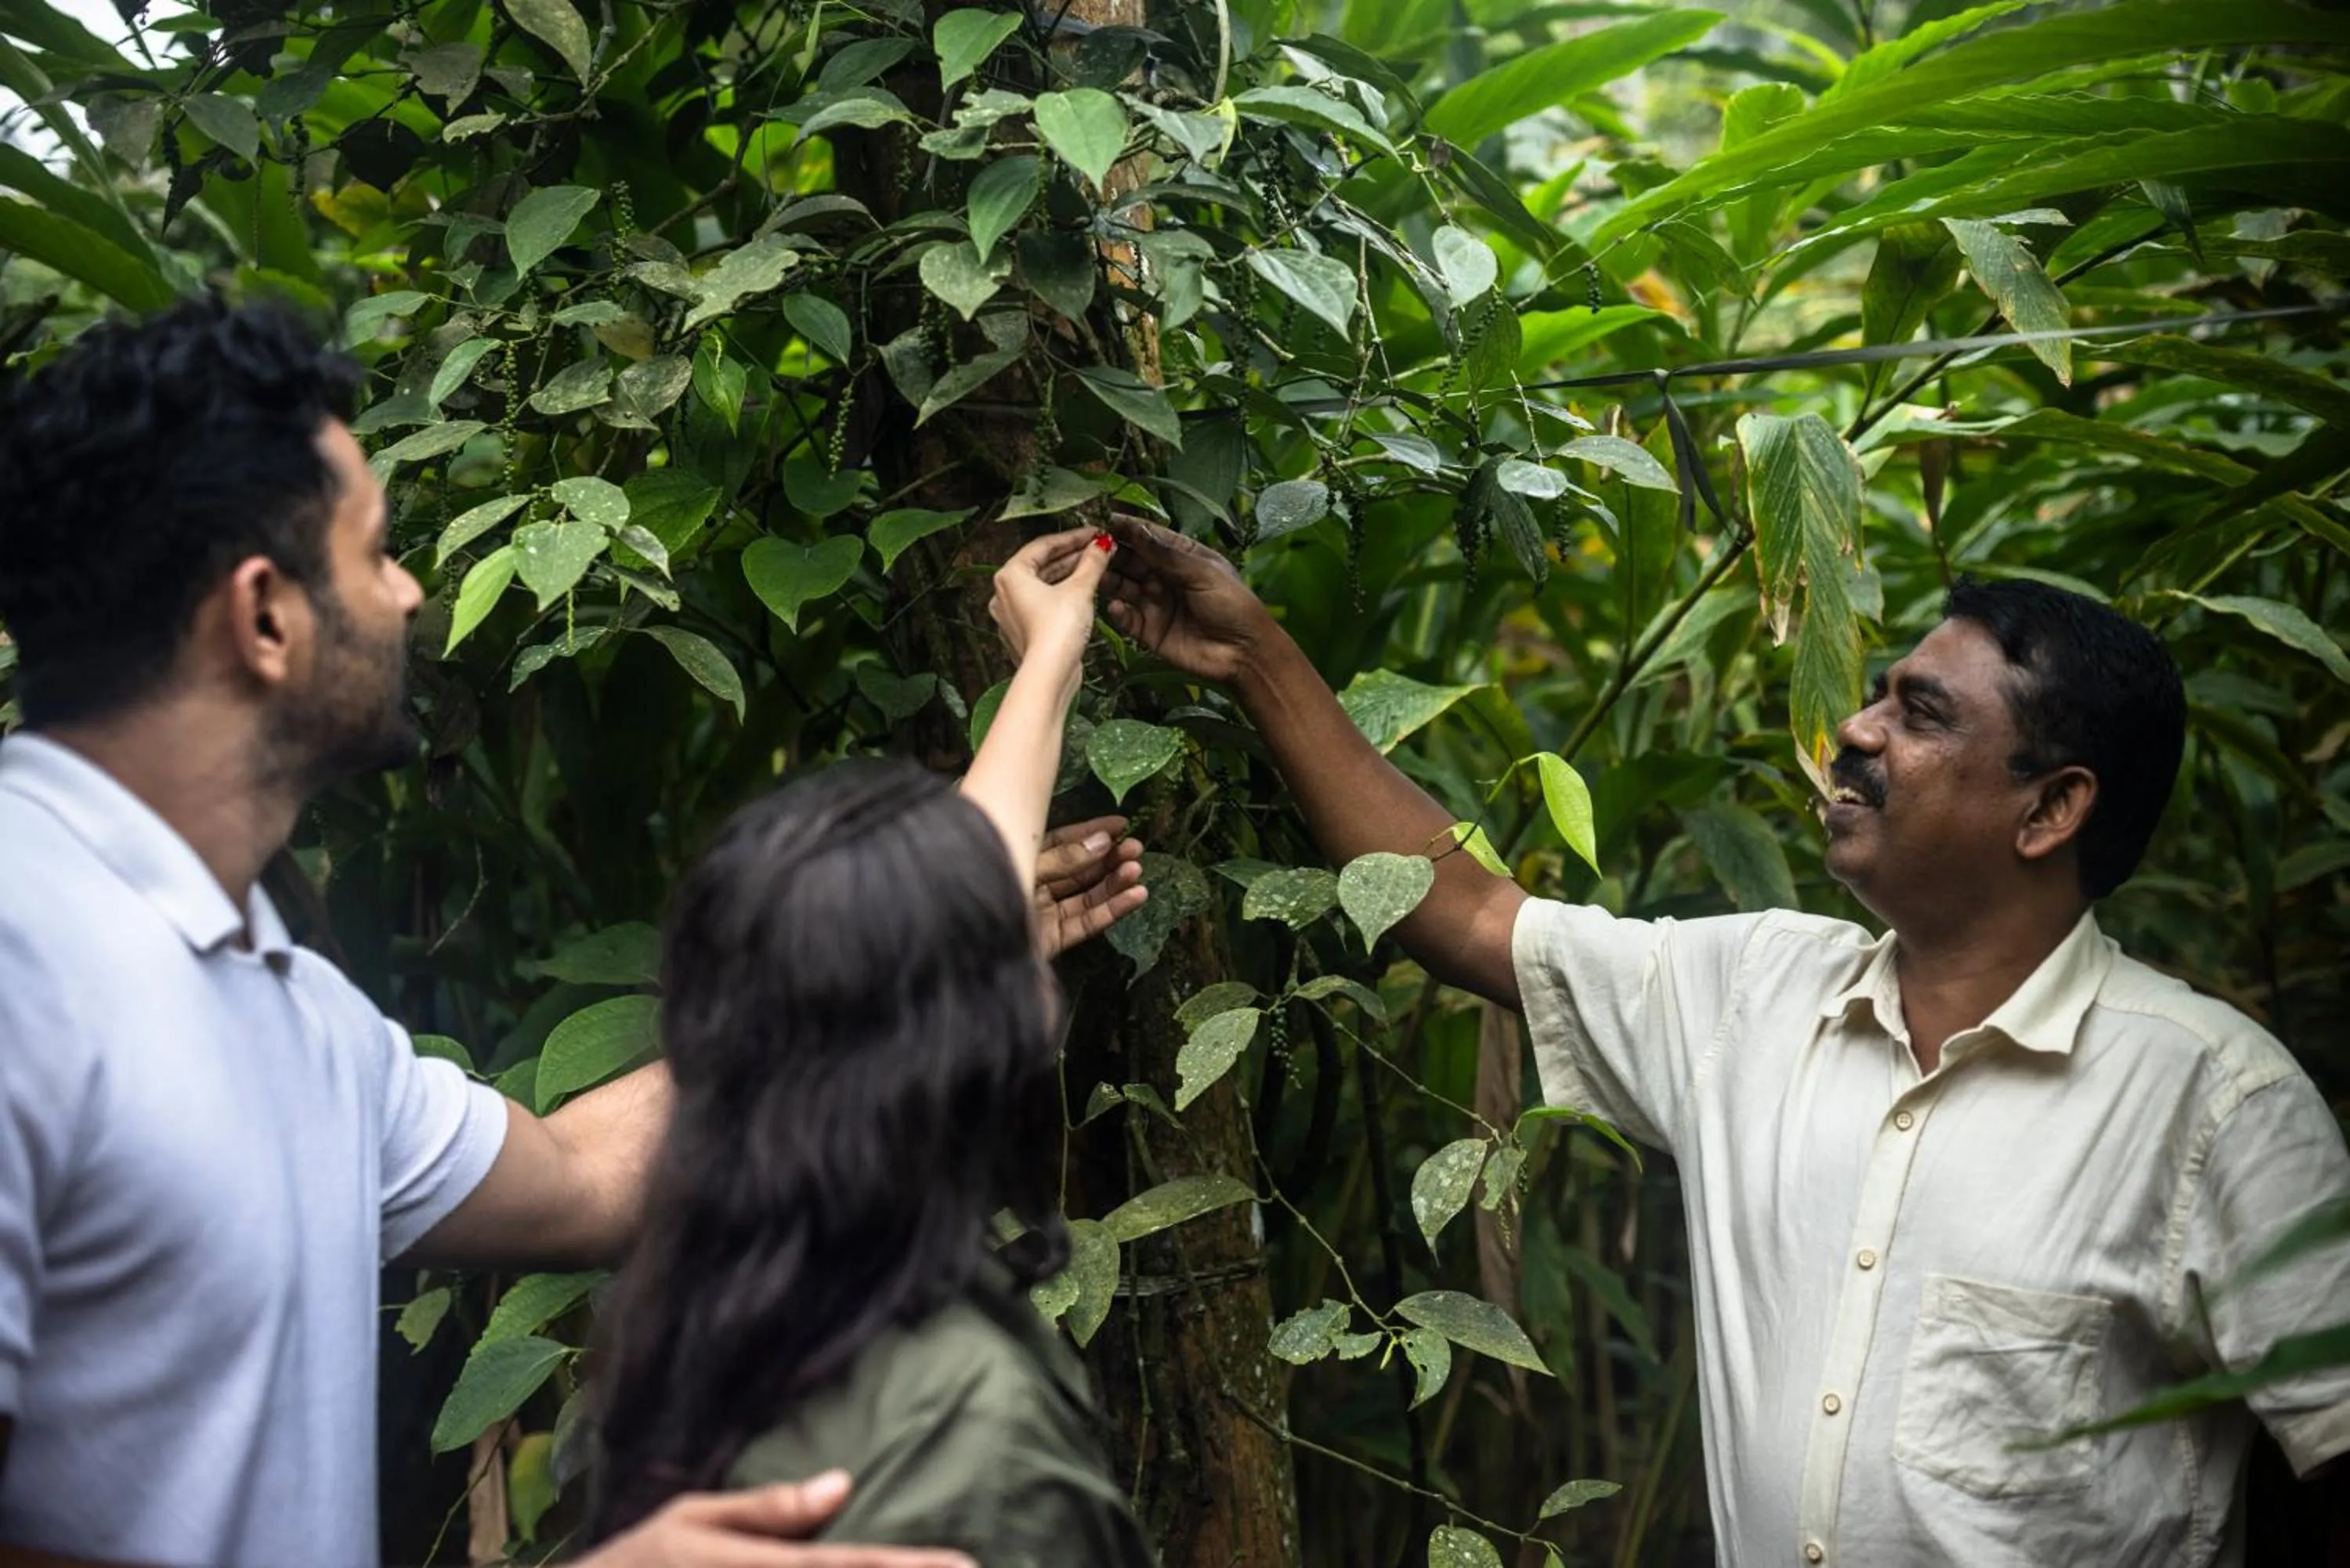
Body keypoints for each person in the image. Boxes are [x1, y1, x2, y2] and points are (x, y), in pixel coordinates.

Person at [0, 294, 1147, 1568]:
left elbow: (588, 1173)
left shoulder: (290, 1015)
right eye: (377, 553)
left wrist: (918, 958)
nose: (410, 590)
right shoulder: (25, 958)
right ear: (263, 616)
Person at [1099, 515, 2350, 1568]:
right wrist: (1255, 655)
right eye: (1876, 696)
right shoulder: (1752, 994)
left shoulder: (2215, 1104)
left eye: (1918, 714)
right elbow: (1471, 909)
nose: (1855, 732)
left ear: (2052, 807)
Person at [588, 529, 1155, 1567]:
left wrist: (1052, 653)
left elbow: (839, 979)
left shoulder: (710, 1329)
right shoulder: (976, 1431)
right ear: (987, 1037)